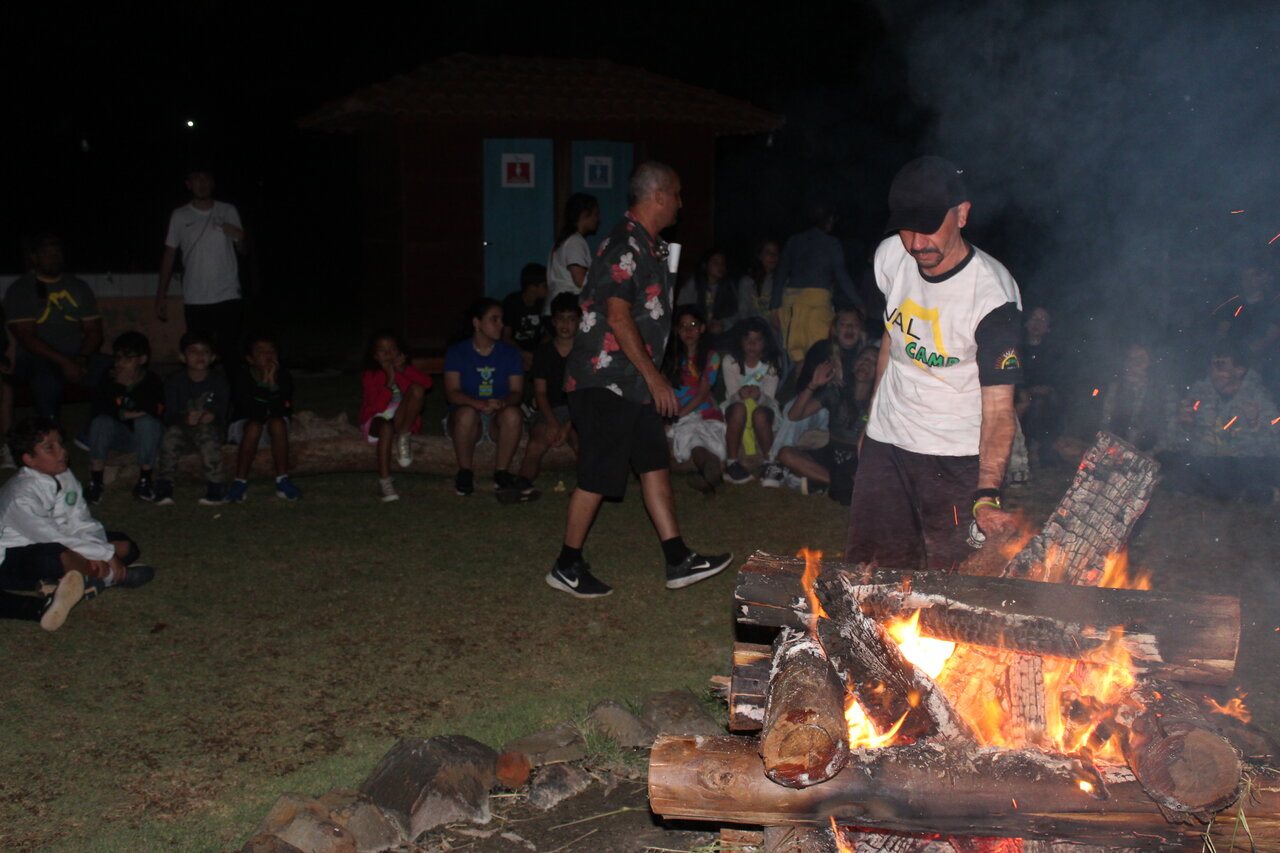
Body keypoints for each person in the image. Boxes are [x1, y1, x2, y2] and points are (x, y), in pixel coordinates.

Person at [546, 161, 731, 599]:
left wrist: (650, 377)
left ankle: (678, 558)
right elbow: (616, 314)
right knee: (597, 474)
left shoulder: (652, 247)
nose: (681, 204)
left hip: (633, 380)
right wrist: (655, 377)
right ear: (659, 196)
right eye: (677, 195)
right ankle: (566, 565)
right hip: (606, 378)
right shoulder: (624, 244)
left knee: (653, 462)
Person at [845, 156, 1024, 571]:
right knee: (871, 575)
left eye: (927, 226)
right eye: (906, 228)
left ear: (962, 214)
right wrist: (871, 422)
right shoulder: (891, 257)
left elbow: (1000, 410)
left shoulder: (993, 298)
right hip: (888, 442)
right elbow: (892, 340)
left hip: (954, 455)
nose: (915, 243)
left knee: (951, 587)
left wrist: (986, 493)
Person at [0, 417, 153, 617]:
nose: (62, 452)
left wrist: (97, 548)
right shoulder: (20, 497)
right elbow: (50, 536)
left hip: (65, 543)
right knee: (56, 556)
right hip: (13, 559)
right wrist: (105, 555)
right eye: (50, 448)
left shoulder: (64, 476)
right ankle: (108, 578)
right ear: (29, 459)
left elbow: (81, 520)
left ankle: (72, 583)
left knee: (126, 546)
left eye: (60, 444)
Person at [1157, 342, 1280, 503]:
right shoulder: (1198, 394)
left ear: (1239, 370)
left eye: (1220, 365)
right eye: (1212, 365)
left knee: (1263, 469)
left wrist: (1255, 424)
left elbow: (1274, 447)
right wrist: (1186, 427)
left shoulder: (1259, 397)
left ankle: (1244, 492)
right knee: (1173, 462)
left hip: (1243, 464)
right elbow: (1178, 442)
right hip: (1207, 464)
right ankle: (1235, 493)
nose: (1214, 371)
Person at [761, 309, 868, 487]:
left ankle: (820, 478)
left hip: (850, 417)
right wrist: (821, 384)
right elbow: (802, 389)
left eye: (855, 325)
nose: (850, 328)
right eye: (844, 324)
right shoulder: (821, 349)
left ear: (861, 330)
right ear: (835, 329)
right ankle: (775, 463)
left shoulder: (866, 355)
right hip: (821, 408)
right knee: (793, 408)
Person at [4, 234, 106, 419]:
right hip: (37, 357)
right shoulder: (21, 289)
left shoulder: (78, 286)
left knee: (115, 369)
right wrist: (65, 362)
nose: (54, 257)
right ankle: (49, 428)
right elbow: (26, 337)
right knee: (45, 379)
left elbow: (94, 330)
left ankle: (105, 426)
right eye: (47, 253)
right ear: (35, 257)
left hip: (77, 354)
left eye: (57, 252)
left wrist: (82, 359)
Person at [155, 166, 248, 357]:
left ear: (212, 183)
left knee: (230, 351)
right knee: (198, 351)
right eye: (197, 178)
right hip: (196, 296)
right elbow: (170, 254)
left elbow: (243, 250)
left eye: (206, 178)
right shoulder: (179, 215)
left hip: (228, 293)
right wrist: (161, 294)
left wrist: (239, 237)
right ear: (188, 184)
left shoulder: (228, 210)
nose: (202, 183)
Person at [444, 298, 525, 499]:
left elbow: (517, 391)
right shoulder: (457, 352)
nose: (501, 325)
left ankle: (501, 473)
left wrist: (503, 402)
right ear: (477, 323)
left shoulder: (510, 353)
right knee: (467, 414)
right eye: (494, 319)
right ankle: (465, 471)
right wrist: (479, 404)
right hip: (466, 415)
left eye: (501, 319)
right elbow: (452, 392)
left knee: (513, 414)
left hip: (498, 415)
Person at [774, 344, 877, 504]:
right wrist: (813, 385)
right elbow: (794, 416)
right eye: (863, 358)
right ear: (854, 363)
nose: (866, 363)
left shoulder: (879, 401)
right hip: (831, 452)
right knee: (785, 454)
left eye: (873, 361)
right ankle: (845, 486)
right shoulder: (836, 391)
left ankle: (824, 483)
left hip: (857, 458)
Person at [771, 203, 859, 363]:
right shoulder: (831, 243)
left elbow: (780, 275)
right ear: (829, 220)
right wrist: (860, 304)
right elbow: (842, 276)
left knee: (797, 358)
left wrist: (774, 308)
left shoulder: (794, 241)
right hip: (817, 306)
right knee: (819, 356)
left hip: (792, 306)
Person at [85, 332, 165, 505]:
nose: (120, 363)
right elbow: (98, 409)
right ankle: (96, 481)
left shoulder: (151, 380)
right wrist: (123, 407)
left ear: (142, 359)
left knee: (146, 423)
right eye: (118, 358)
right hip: (121, 436)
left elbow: (154, 410)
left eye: (127, 359)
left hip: (146, 436)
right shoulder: (110, 378)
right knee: (101, 422)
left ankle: (144, 480)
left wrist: (129, 392)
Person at [514, 292, 580, 497]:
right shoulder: (544, 352)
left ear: (579, 321)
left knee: (582, 442)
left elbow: (587, 394)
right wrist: (552, 422)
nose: (565, 324)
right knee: (536, 444)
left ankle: (586, 488)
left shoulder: (585, 352)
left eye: (571, 319)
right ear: (553, 321)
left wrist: (567, 425)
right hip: (549, 409)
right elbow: (540, 392)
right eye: (561, 319)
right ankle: (522, 484)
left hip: (578, 410)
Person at [154, 331, 231, 506]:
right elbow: (169, 415)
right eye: (193, 351)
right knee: (171, 435)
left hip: (211, 430)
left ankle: (216, 486)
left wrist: (212, 415)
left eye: (205, 351)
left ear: (213, 357)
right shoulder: (174, 381)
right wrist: (185, 418)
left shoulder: (219, 380)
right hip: (183, 429)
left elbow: (223, 410)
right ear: (183, 357)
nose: (200, 356)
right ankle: (164, 485)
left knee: (206, 433)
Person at [226, 333, 300, 502]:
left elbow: (280, 410)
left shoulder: (283, 376)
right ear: (250, 359)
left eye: (271, 351)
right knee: (254, 426)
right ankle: (239, 483)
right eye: (261, 351)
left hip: (273, 427)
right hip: (244, 427)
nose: (268, 355)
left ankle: (282, 479)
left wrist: (272, 383)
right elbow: (253, 412)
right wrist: (263, 383)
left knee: (278, 423)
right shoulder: (242, 377)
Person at [360, 330, 432, 502]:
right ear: (375, 356)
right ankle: (385, 481)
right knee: (385, 427)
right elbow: (377, 407)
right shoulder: (370, 375)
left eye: (392, 349)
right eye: (382, 350)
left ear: (400, 352)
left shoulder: (404, 370)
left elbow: (427, 384)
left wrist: (403, 369)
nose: (388, 353)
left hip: (399, 419)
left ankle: (403, 436)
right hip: (377, 419)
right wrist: (390, 380)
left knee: (417, 389)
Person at [666, 305, 727, 494]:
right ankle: (711, 477)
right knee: (693, 441)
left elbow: (701, 394)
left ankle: (711, 475)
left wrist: (676, 417)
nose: (688, 331)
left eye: (693, 325)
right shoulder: (670, 358)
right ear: (677, 330)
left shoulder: (711, 357)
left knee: (704, 440)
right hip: (678, 412)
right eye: (683, 326)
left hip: (703, 411)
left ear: (702, 328)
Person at [721, 317, 783, 485]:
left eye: (758, 340)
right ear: (740, 341)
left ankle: (770, 463)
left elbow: (770, 398)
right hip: (736, 406)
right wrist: (740, 394)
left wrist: (759, 396)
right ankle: (732, 463)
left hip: (764, 406)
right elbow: (732, 395)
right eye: (747, 339)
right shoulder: (730, 361)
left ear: (765, 342)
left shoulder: (771, 364)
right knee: (739, 408)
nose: (752, 345)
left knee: (760, 414)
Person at [1017, 306, 1065, 467]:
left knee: (1045, 402)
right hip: (1017, 392)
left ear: (1048, 327)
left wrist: (1044, 389)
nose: (1037, 323)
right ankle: (1025, 447)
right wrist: (1024, 390)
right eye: (1034, 318)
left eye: (1042, 320)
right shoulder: (1016, 348)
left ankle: (1042, 448)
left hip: (1042, 396)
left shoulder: (1053, 352)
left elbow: (1056, 378)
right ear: (1026, 323)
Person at [545, 193, 600, 313]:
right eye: (595, 214)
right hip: (566, 310)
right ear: (584, 214)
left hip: (557, 307)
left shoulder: (564, 240)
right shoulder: (575, 241)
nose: (598, 219)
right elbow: (580, 280)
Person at [677, 248, 738, 338]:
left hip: (721, 333)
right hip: (696, 331)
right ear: (705, 265)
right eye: (715, 262)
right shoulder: (694, 284)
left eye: (722, 263)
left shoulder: (729, 286)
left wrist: (723, 324)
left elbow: (735, 314)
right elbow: (683, 309)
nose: (720, 266)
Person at [502, 263, 548, 371]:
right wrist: (522, 353)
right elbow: (505, 336)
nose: (548, 289)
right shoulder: (511, 302)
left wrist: (535, 353)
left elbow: (548, 334)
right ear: (532, 287)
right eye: (545, 286)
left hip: (535, 350)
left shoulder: (544, 303)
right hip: (513, 349)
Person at [737, 239, 781, 320]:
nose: (773, 255)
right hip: (752, 325)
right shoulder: (747, 282)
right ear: (760, 256)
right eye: (768, 252)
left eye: (776, 252)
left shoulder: (783, 281)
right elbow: (743, 313)